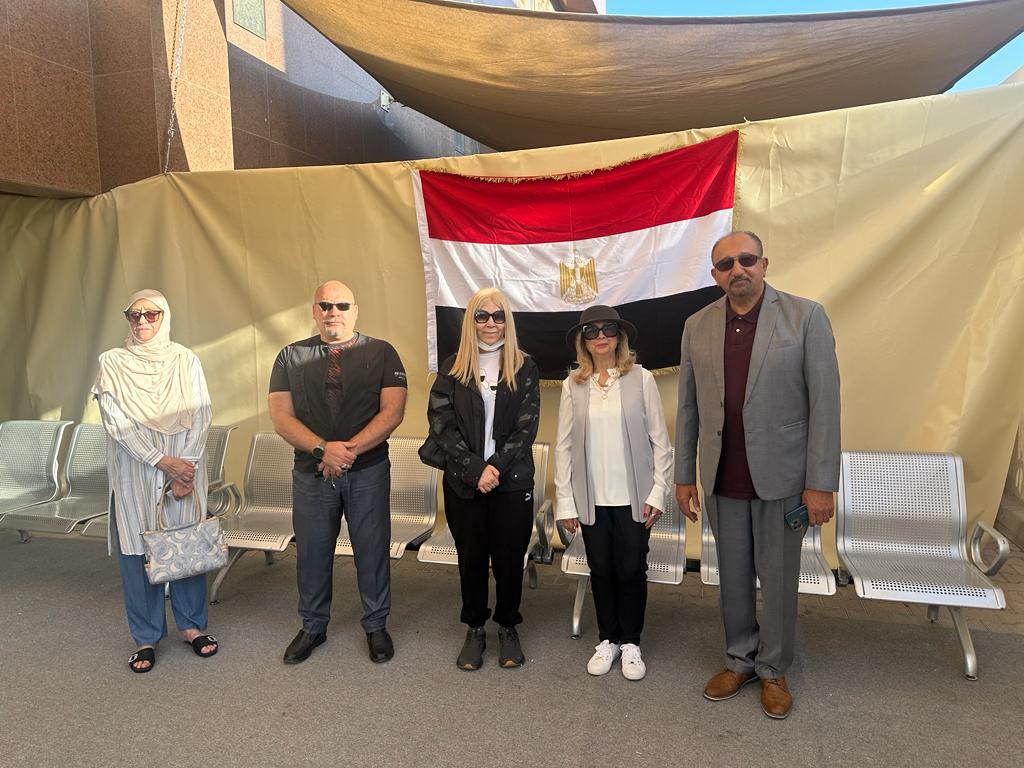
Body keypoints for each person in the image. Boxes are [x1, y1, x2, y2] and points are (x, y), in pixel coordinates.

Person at [674, 230, 840, 719]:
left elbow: (825, 405)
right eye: (726, 264)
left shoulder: (806, 317)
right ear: (715, 275)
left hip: (784, 480)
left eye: (746, 259)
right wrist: (684, 475)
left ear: (764, 264)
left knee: (780, 579)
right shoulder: (697, 326)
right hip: (722, 477)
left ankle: (773, 669)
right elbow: (688, 407)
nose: (738, 270)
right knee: (732, 577)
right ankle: (739, 659)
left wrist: (820, 483)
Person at [269, 281, 407, 665]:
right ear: (314, 311)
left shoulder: (382, 352)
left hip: (368, 471)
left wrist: (346, 452)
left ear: (355, 310)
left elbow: (393, 412)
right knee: (312, 552)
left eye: (342, 305)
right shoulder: (289, 356)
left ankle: (376, 625)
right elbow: (281, 417)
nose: (334, 312)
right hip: (311, 472)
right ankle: (313, 626)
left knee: (372, 550)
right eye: (326, 305)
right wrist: (322, 449)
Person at [94, 289, 216, 673]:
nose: (143, 321)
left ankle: (192, 626)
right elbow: (116, 422)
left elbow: (201, 413)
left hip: (185, 468)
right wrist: (163, 462)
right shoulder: (112, 362)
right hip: (136, 470)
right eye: (135, 315)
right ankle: (146, 637)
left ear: (165, 317)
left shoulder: (185, 359)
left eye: (152, 314)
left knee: (186, 548)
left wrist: (186, 468)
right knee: (137, 553)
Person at [554, 305, 672, 681]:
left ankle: (631, 642)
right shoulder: (573, 384)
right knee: (601, 569)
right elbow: (564, 447)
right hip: (591, 499)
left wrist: (658, 493)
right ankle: (608, 639)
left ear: (619, 337)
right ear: (583, 341)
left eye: (608, 329)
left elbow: (661, 442)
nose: (601, 336)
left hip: (635, 498)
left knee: (632, 568)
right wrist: (565, 501)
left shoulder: (641, 379)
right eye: (592, 331)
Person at [425, 287, 540, 670]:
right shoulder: (452, 367)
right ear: (471, 321)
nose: (491, 323)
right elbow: (441, 423)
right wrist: (476, 470)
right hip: (464, 481)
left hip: (511, 481)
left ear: (508, 321)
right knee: (471, 558)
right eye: (482, 315)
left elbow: (526, 427)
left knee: (509, 559)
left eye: (498, 315)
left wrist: (495, 469)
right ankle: (475, 628)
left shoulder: (524, 366)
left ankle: (507, 626)